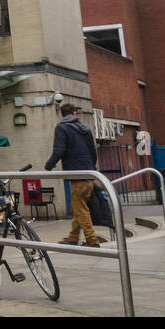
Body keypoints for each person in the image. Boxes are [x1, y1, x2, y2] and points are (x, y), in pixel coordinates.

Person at [45, 102, 101, 248]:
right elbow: (93, 151)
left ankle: (92, 240)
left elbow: (59, 150)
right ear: (75, 113)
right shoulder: (85, 128)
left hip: (77, 174)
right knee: (78, 205)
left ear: (61, 114)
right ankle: (73, 238)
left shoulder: (62, 128)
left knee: (80, 208)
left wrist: (48, 166)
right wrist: (91, 168)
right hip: (88, 173)